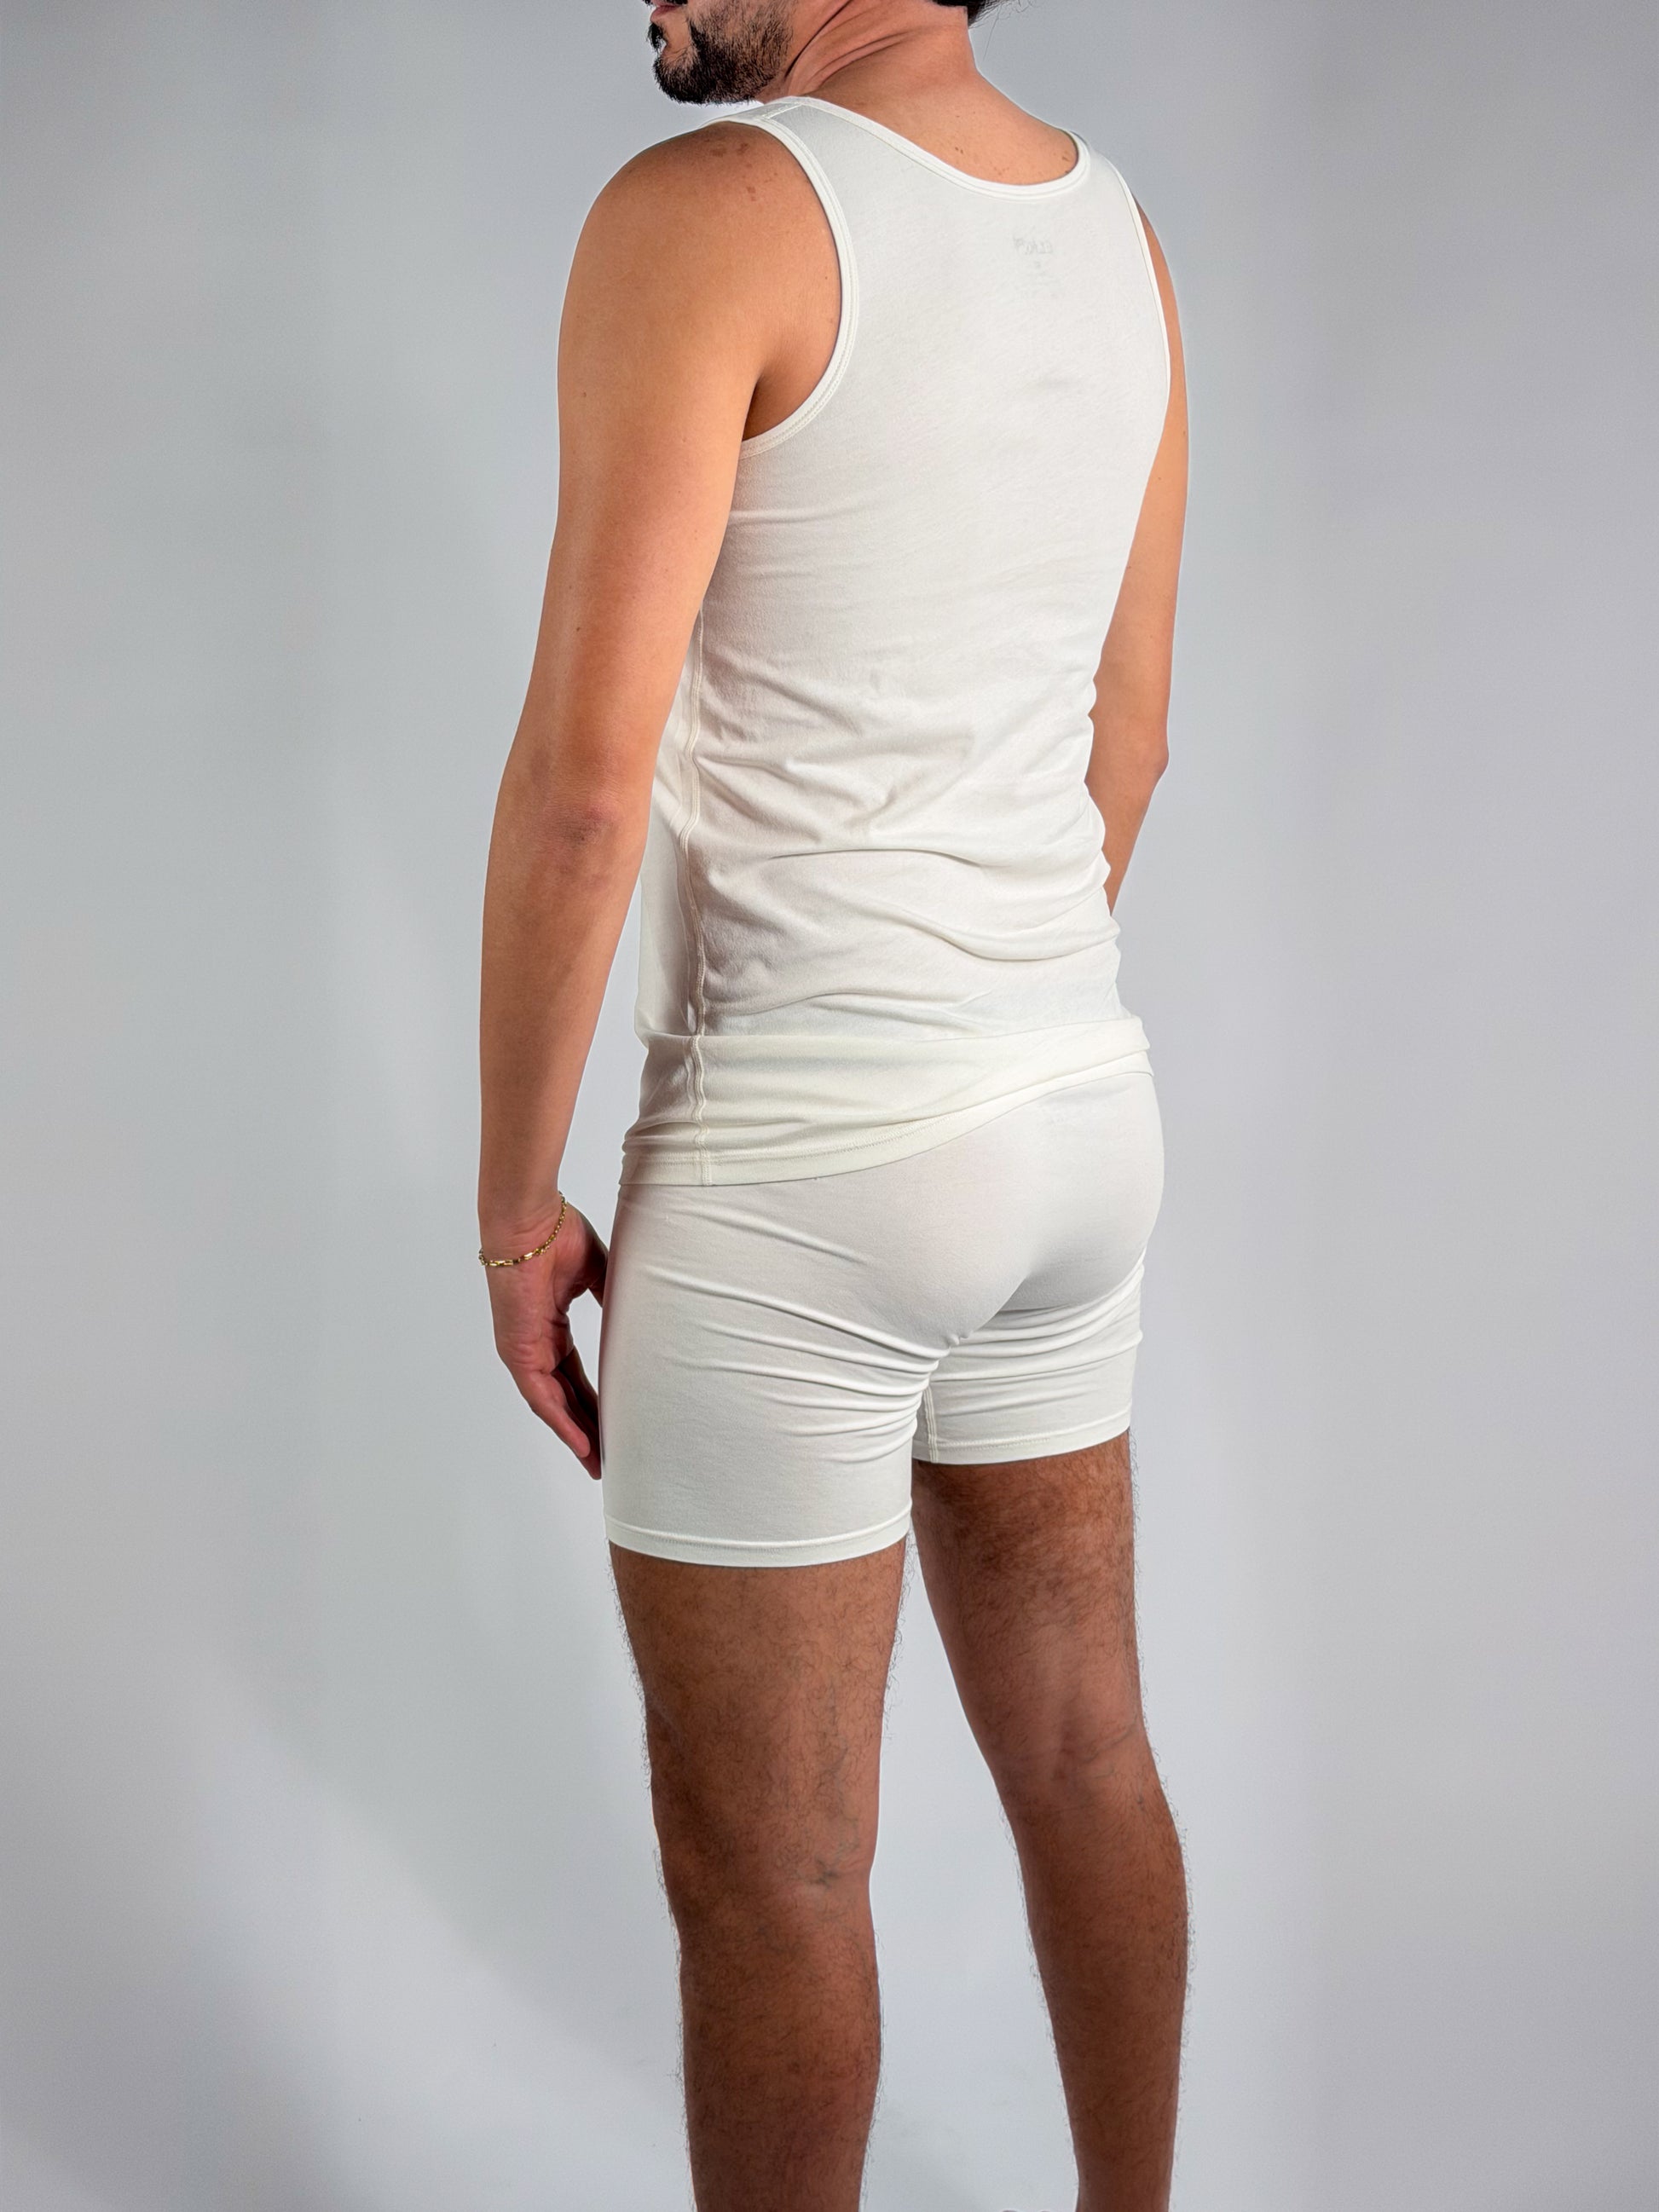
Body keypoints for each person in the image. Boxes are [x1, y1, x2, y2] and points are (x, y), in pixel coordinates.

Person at [477, 2, 1189, 2204]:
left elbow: (585, 788)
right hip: (1074, 1107)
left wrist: (514, 1208)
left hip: (803, 1158)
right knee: (1085, 1754)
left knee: (773, 1870)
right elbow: (1133, 732)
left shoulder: (715, 212)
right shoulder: (1117, 233)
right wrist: (983, 1014)